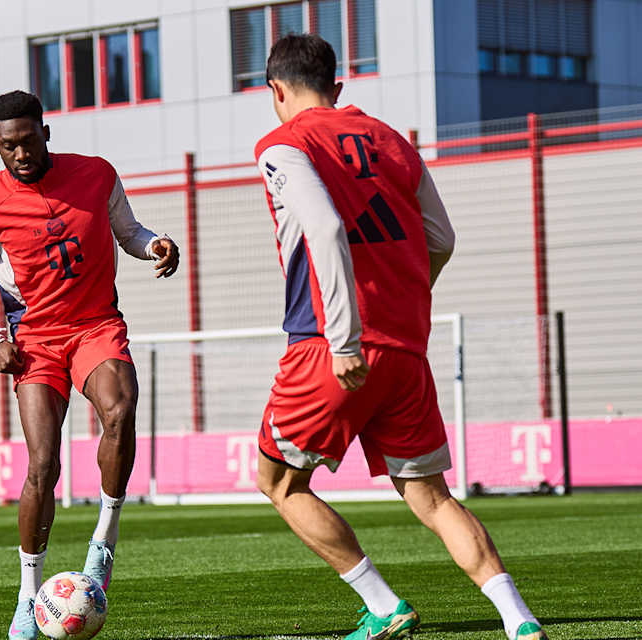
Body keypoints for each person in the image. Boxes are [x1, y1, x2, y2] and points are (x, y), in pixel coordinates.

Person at [251, 35, 549, 640]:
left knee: (279, 482)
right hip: (406, 351)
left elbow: (324, 226)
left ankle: (383, 604)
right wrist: (403, 304)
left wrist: (345, 339)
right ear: (337, 87)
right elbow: (442, 238)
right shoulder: (392, 141)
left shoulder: (283, 144)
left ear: (275, 90)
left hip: (328, 348)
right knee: (433, 497)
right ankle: (518, 619)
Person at [0, 90, 181, 640]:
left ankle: (103, 542)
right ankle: (27, 594)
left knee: (120, 410)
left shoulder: (97, 174)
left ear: (46, 132)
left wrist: (156, 244)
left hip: (95, 325)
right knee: (43, 465)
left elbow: (129, 232)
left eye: (28, 140)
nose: (20, 154)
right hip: (34, 339)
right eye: (7, 146)